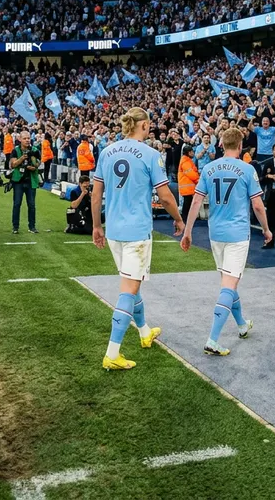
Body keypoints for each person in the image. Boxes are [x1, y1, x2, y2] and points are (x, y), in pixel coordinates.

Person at [92, 107, 183, 371]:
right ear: (143, 125)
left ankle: (144, 331)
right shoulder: (151, 154)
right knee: (128, 290)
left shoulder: (107, 151)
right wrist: (178, 219)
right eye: (149, 125)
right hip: (137, 232)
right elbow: (165, 196)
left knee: (133, 285)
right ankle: (112, 353)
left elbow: (96, 195)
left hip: (114, 231)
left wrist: (97, 225)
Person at [180, 127, 273, 356]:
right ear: (240, 146)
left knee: (228, 282)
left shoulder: (209, 168)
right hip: (237, 234)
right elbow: (257, 205)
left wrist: (187, 231)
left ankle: (241, 325)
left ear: (221, 144)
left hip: (216, 233)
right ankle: (212, 339)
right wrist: (266, 229)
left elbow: (196, 202)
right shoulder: (247, 169)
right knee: (229, 285)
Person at [10, 130, 40, 235]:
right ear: (20, 139)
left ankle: (32, 226)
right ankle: (15, 227)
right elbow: (13, 164)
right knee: (17, 204)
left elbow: (38, 163)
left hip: (31, 181)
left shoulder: (35, 150)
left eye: (28, 138)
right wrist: (22, 158)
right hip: (18, 181)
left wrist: (34, 166)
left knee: (31, 205)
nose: (27, 140)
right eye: (25, 138)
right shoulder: (15, 150)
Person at [178, 144, 200, 223]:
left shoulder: (186, 160)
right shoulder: (185, 161)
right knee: (187, 204)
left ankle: (186, 219)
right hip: (187, 186)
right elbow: (191, 173)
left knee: (187, 203)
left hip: (187, 186)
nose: (193, 153)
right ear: (189, 152)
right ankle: (184, 219)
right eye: (192, 152)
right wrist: (198, 179)